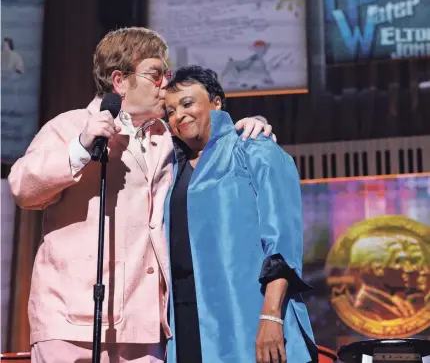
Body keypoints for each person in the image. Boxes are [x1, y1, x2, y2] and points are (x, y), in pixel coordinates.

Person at [8, 27, 274, 363]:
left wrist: (252, 125)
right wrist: (81, 147)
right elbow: (21, 187)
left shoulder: (168, 137)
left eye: (168, 73)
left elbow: (213, 142)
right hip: (70, 322)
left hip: (145, 325)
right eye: (155, 74)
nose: (166, 83)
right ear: (119, 81)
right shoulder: (70, 126)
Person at [163, 65, 318, 363]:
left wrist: (271, 317)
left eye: (187, 103)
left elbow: (282, 243)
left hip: (248, 312)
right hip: (187, 319)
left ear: (216, 102)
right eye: (169, 111)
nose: (178, 116)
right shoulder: (170, 168)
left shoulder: (254, 148)